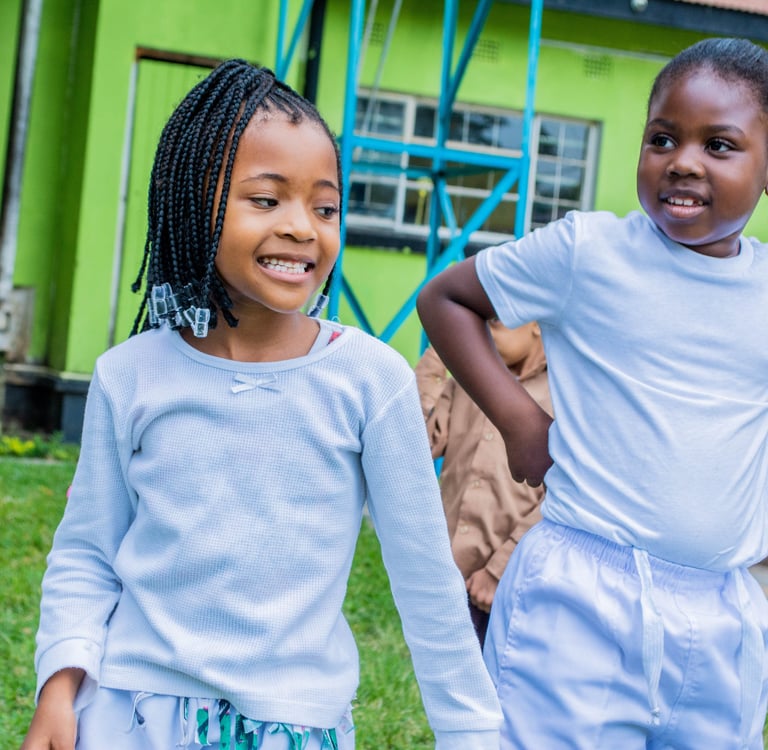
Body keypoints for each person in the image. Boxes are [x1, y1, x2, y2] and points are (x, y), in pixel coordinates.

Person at [21, 60, 502, 750]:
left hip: (292, 724)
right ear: (194, 204)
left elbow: (425, 581)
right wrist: (60, 686)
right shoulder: (129, 375)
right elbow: (88, 552)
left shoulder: (372, 380)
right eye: (267, 199)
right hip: (130, 715)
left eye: (325, 208)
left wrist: (471, 733)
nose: (303, 228)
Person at [416, 36, 768, 749]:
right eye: (662, 138)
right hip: (581, 598)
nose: (683, 161)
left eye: (719, 145)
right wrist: (520, 421)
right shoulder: (589, 252)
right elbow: (446, 299)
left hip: (723, 615)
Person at [415, 320, 551, 647]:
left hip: (513, 584)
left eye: (493, 323)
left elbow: (563, 496)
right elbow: (419, 440)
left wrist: (498, 570)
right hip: (451, 571)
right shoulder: (469, 378)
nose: (482, 334)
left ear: (535, 323)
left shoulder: (567, 396)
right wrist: (442, 348)